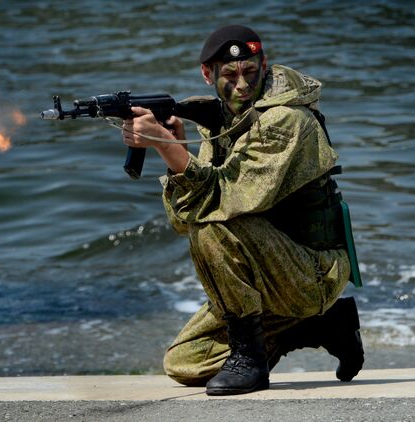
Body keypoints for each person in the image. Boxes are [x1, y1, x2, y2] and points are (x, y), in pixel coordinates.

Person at [122, 24, 364, 396]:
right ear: (207, 75)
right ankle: (319, 325)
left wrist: (166, 147)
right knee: (186, 362)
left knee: (214, 229)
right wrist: (172, 147)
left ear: (264, 66)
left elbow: (223, 201)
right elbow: (183, 219)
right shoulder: (223, 122)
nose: (242, 85)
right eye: (230, 75)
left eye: (251, 73)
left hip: (313, 271)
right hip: (270, 273)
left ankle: (252, 359)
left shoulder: (286, 121)